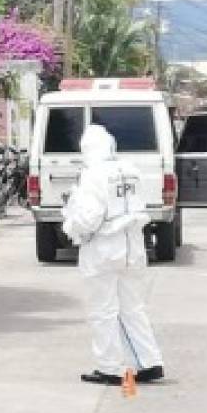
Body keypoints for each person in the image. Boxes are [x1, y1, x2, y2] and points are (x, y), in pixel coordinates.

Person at [62, 124, 164, 386]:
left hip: (104, 249)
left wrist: (71, 224)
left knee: (103, 310)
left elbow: (89, 218)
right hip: (133, 246)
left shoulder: (92, 175)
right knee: (133, 307)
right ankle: (149, 361)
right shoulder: (130, 169)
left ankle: (109, 367)